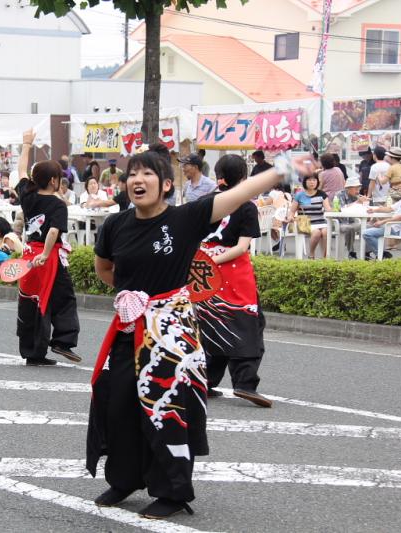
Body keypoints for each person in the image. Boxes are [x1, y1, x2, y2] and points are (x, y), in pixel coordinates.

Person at [86, 144, 311, 519]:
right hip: (129, 328)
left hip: (172, 332)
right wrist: (134, 298)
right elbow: (104, 269)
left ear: (165, 185)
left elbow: (240, 193)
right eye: (132, 174)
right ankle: (124, 479)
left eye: (148, 174)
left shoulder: (186, 219)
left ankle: (172, 491)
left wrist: (281, 170)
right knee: (120, 405)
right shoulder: (115, 224)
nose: (138, 181)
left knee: (168, 408)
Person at [196, 155, 271, 408]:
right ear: (243, 176)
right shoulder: (246, 205)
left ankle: (204, 380)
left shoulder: (204, 201)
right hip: (233, 272)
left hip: (203, 271)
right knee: (248, 324)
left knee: (211, 323)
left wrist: (207, 260)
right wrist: (219, 260)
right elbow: (242, 247)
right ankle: (244, 382)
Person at [16, 129, 81, 366]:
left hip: (28, 256)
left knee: (30, 299)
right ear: (54, 181)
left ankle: (33, 352)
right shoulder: (57, 204)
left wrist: (26, 145)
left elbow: (21, 171)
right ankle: (62, 340)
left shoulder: (28, 196)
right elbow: (54, 231)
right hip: (47, 257)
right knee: (63, 299)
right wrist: (45, 254)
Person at [362, 173, 401, 259]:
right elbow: (390, 208)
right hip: (394, 227)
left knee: (367, 233)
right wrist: (375, 210)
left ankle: (382, 255)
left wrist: (382, 221)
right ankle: (376, 254)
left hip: (398, 229)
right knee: (368, 227)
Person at [287, 175, 331, 258]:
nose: (312, 182)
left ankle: (325, 257)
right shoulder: (299, 195)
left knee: (326, 232)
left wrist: (333, 210)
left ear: (317, 182)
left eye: (314, 180)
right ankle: (311, 254)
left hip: (320, 221)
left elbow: (328, 208)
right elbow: (292, 211)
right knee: (317, 233)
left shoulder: (322, 194)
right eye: (309, 180)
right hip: (304, 221)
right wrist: (290, 217)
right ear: (305, 182)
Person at [335, 177, 367, 259]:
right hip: (340, 222)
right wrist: (357, 202)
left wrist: (365, 203)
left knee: (367, 227)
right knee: (350, 228)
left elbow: (362, 210)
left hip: (353, 221)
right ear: (348, 188)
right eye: (355, 188)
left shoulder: (356, 196)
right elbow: (342, 209)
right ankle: (351, 252)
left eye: (358, 188)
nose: (358, 191)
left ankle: (367, 253)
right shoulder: (339, 195)